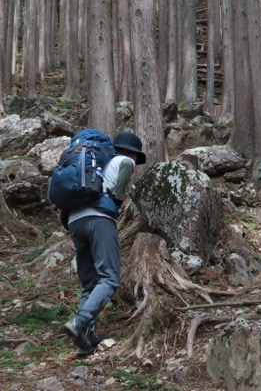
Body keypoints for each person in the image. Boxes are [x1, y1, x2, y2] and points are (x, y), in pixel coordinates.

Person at [62, 131, 146, 356]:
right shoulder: (124, 160)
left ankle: (84, 340)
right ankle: (80, 322)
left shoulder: (94, 163)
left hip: (75, 220)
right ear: (133, 153)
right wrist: (117, 199)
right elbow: (118, 190)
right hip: (99, 219)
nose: (136, 161)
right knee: (109, 278)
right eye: (137, 156)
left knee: (91, 282)